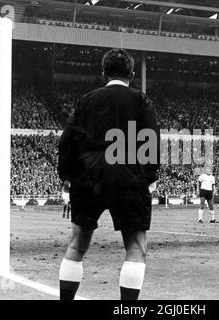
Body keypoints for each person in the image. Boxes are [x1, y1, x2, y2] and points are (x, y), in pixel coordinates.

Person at [58, 48, 160, 300]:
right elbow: (151, 141)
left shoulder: (86, 100)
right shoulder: (141, 100)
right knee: (136, 247)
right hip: (127, 177)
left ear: (103, 73)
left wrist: (68, 178)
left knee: (77, 244)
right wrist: (148, 177)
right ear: (132, 74)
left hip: (88, 178)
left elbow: (67, 141)